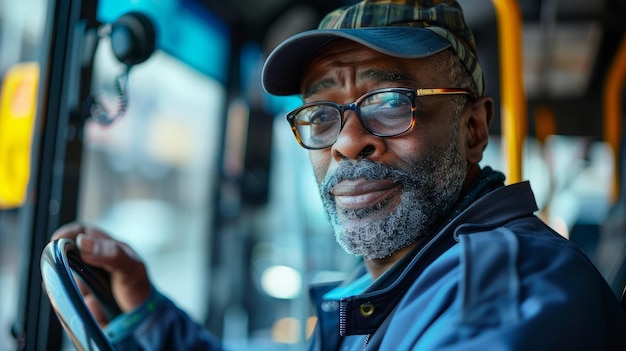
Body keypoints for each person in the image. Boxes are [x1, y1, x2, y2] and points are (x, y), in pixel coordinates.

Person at [52, 0, 626, 350]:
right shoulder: (401, 280)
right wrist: (145, 317)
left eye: (390, 101)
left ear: (473, 128)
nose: (349, 141)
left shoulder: (502, 289)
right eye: (321, 114)